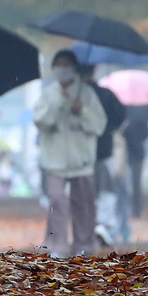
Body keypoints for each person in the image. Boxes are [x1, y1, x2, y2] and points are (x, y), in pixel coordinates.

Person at [33, 50, 107, 258]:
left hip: (81, 158)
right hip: (54, 159)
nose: (62, 69)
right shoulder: (49, 94)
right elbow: (41, 121)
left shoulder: (86, 94)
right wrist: (59, 105)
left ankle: (84, 244)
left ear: (74, 67)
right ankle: (57, 244)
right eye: (58, 65)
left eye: (66, 64)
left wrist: (81, 110)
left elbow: (99, 125)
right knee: (57, 201)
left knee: (84, 203)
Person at [80, 64, 127, 245]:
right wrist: (109, 129)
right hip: (103, 150)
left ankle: (88, 228)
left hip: (80, 153)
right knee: (105, 190)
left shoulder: (75, 95)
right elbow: (121, 116)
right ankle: (104, 226)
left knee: (83, 192)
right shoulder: (106, 94)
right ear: (94, 70)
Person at [122, 114, 148, 218]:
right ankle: (129, 208)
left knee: (136, 183)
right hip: (125, 156)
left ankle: (137, 209)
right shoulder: (123, 117)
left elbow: (146, 135)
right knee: (125, 184)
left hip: (137, 156)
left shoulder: (141, 121)